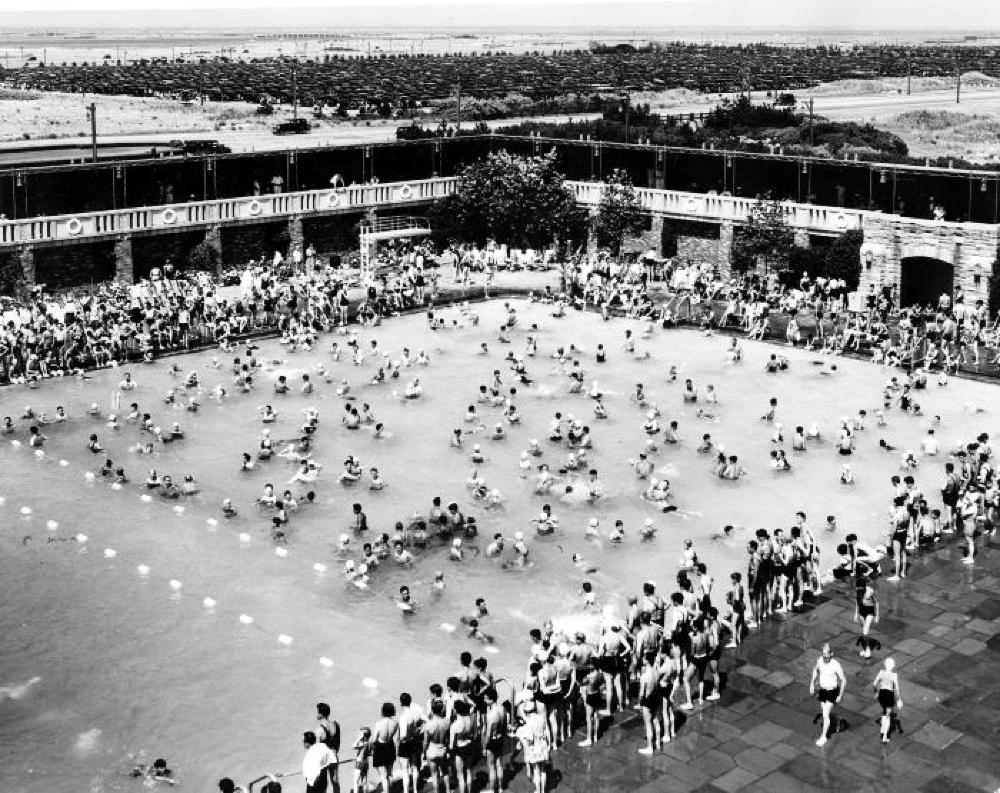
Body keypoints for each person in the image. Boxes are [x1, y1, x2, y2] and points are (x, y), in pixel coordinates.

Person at [809, 643, 845, 747]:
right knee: (824, 712)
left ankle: (824, 737)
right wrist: (812, 683)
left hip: (832, 691)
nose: (825, 656)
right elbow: (815, 670)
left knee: (825, 714)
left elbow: (843, 680)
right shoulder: (820, 660)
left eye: (827, 654)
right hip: (822, 690)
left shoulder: (835, 665)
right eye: (823, 654)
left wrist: (840, 695)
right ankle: (835, 719)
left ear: (831, 654)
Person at [515, 699, 550, 793]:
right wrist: (549, 744)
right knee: (543, 770)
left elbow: (529, 739)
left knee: (536, 771)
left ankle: (538, 790)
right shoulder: (541, 717)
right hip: (543, 745)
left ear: (527, 712)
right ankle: (543, 791)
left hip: (534, 748)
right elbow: (546, 731)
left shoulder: (529, 723)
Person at [872, 658, 902, 743]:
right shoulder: (894, 675)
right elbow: (896, 689)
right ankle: (884, 735)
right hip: (889, 695)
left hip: (881, 693)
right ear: (893, 666)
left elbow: (874, 684)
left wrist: (876, 692)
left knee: (884, 711)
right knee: (888, 715)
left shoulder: (881, 672)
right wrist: (899, 699)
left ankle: (882, 729)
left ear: (884, 665)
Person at [371, 702, 398, 792]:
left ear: (383, 711)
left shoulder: (379, 724)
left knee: (383, 776)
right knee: (390, 774)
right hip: (390, 746)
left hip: (380, 748)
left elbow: (374, 740)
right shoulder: (395, 723)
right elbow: (393, 734)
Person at [316, 703, 341, 793]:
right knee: (335, 781)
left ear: (321, 714)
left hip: (324, 759)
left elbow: (318, 750)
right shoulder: (336, 725)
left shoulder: (320, 730)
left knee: (323, 784)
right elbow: (338, 743)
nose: (316, 714)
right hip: (334, 755)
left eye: (317, 712)